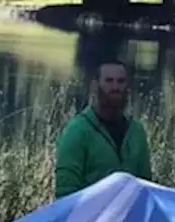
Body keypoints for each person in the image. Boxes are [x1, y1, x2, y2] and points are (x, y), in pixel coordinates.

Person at [54, 61, 151, 199]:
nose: (115, 87)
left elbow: (145, 187)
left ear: (127, 86)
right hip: (88, 218)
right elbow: (65, 193)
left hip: (129, 217)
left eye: (121, 81)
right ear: (96, 85)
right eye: (109, 81)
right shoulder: (78, 130)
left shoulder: (137, 132)